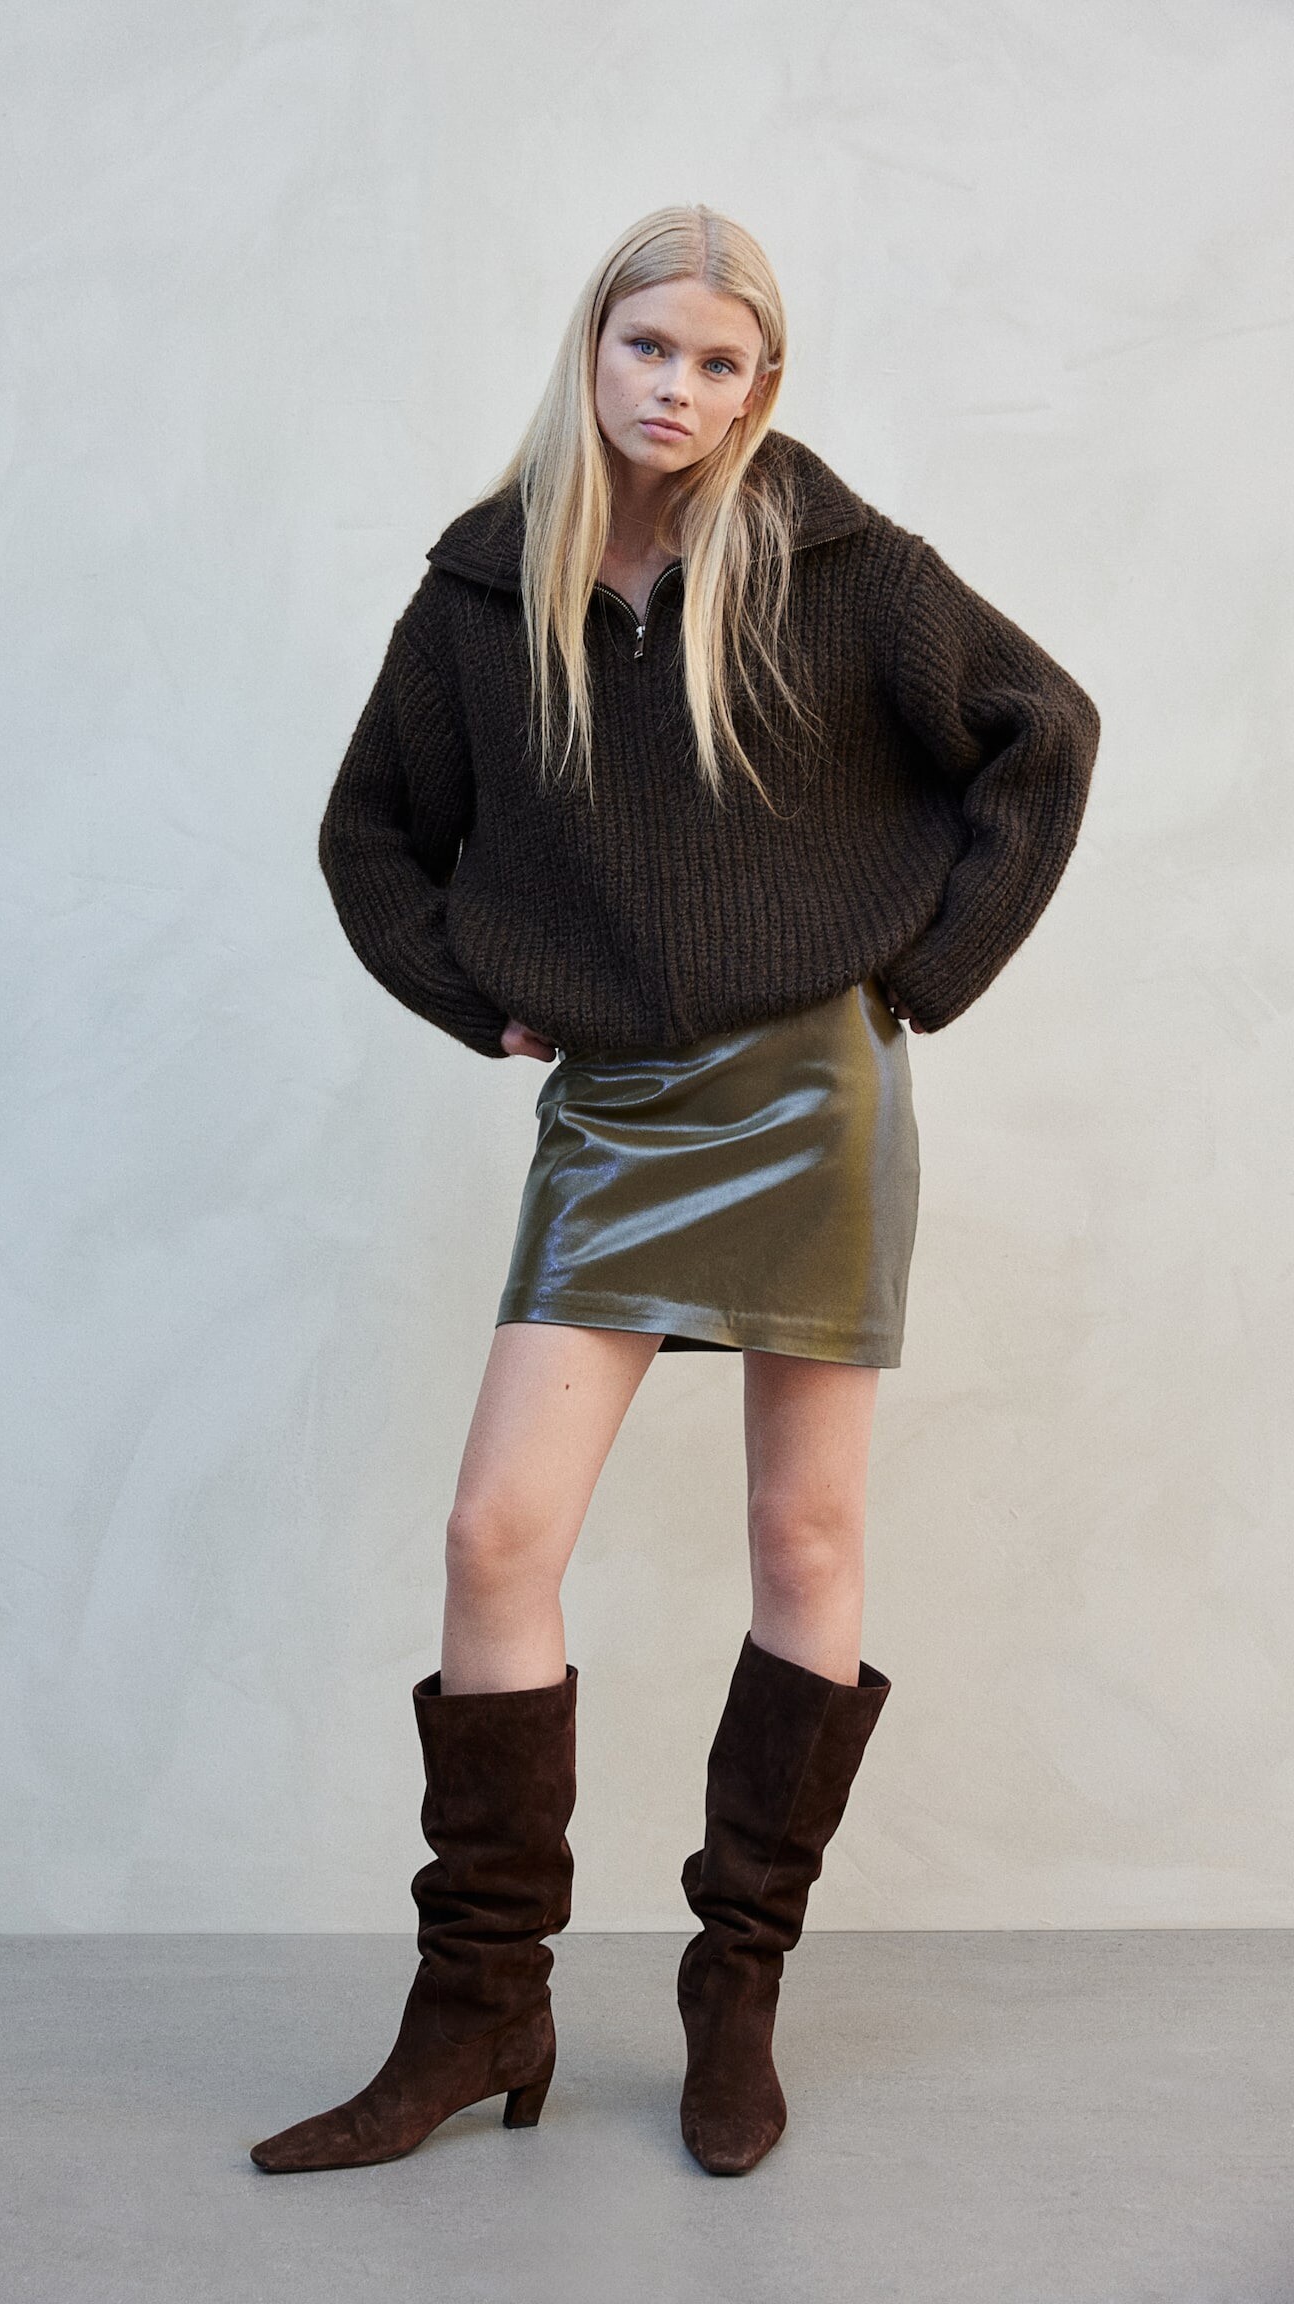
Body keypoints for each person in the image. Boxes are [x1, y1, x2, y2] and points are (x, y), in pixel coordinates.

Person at [251, 203, 1100, 2178]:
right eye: (651, 347)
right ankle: (481, 2008)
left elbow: (1040, 731)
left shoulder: (836, 566)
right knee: (496, 1534)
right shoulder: (486, 587)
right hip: (618, 1107)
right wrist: (477, 995)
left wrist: (926, 975)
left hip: (813, 1094)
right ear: (594, 347)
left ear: (760, 384)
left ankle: (739, 1990)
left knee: (805, 1536)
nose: (679, 390)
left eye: (721, 363)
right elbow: (371, 832)